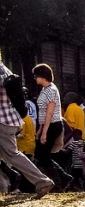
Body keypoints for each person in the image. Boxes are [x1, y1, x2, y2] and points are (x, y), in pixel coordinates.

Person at [0, 56, 53, 198]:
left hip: (2, 121)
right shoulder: (5, 69)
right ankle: (5, 186)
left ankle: (42, 181)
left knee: (12, 154)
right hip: (11, 119)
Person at [31, 63, 73, 190]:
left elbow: (49, 113)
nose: (35, 79)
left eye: (36, 76)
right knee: (41, 154)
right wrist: (40, 129)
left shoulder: (52, 90)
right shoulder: (45, 90)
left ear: (42, 76)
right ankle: (62, 177)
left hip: (53, 125)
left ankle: (59, 181)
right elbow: (43, 112)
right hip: (47, 124)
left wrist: (44, 132)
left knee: (43, 155)